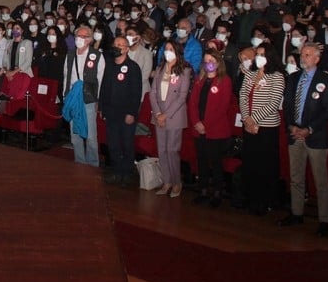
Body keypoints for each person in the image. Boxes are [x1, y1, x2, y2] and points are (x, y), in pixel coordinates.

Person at [280, 42, 328, 237]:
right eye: (302, 54)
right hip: (295, 134)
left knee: (320, 181)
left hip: (316, 136)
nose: (303, 57)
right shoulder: (294, 78)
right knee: (296, 177)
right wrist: (291, 126)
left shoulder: (326, 81)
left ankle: (324, 220)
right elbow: (287, 105)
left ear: (317, 59)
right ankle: (296, 213)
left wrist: (309, 129)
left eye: (307, 54)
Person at [238, 46, 286, 216]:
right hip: (249, 125)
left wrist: (253, 119)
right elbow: (243, 96)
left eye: (262, 55)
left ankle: (265, 201)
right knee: (251, 163)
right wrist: (246, 118)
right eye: (257, 55)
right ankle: (251, 198)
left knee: (265, 165)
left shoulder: (277, 77)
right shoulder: (250, 74)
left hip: (266, 127)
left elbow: (273, 103)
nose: (258, 57)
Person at [188, 51, 235, 207]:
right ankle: (202, 190)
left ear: (218, 63)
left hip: (215, 130)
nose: (208, 63)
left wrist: (205, 125)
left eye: (211, 60)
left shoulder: (225, 81)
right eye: (206, 60)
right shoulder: (199, 80)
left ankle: (216, 193)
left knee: (215, 163)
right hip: (198, 128)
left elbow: (222, 107)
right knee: (201, 161)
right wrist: (197, 122)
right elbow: (192, 103)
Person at [99, 36, 144, 185]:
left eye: (120, 45)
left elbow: (136, 92)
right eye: (115, 44)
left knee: (127, 144)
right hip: (111, 113)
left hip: (126, 114)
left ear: (126, 48)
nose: (116, 47)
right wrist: (102, 108)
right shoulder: (110, 65)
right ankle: (117, 172)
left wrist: (131, 112)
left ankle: (127, 173)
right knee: (113, 145)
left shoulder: (133, 67)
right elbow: (104, 88)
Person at [150, 40, 191, 197]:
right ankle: (166, 181)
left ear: (177, 51)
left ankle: (176, 182)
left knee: (172, 150)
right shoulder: (160, 68)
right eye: (165, 49)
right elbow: (153, 93)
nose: (167, 51)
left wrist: (166, 114)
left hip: (174, 117)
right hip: (158, 115)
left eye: (171, 49)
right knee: (162, 150)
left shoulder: (184, 70)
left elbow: (181, 97)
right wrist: (158, 113)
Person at [62, 25, 105, 167]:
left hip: (88, 98)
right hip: (73, 98)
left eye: (83, 37)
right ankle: (79, 161)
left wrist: (98, 100)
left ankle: (93, 164)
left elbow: (101, 79)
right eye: (77, 36)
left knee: (91, 135)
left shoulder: (97, 55)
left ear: (89, 40)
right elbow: (66, 76)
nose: (79, 39)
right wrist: (65, 95)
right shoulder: (70, 54)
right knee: (75, 134)